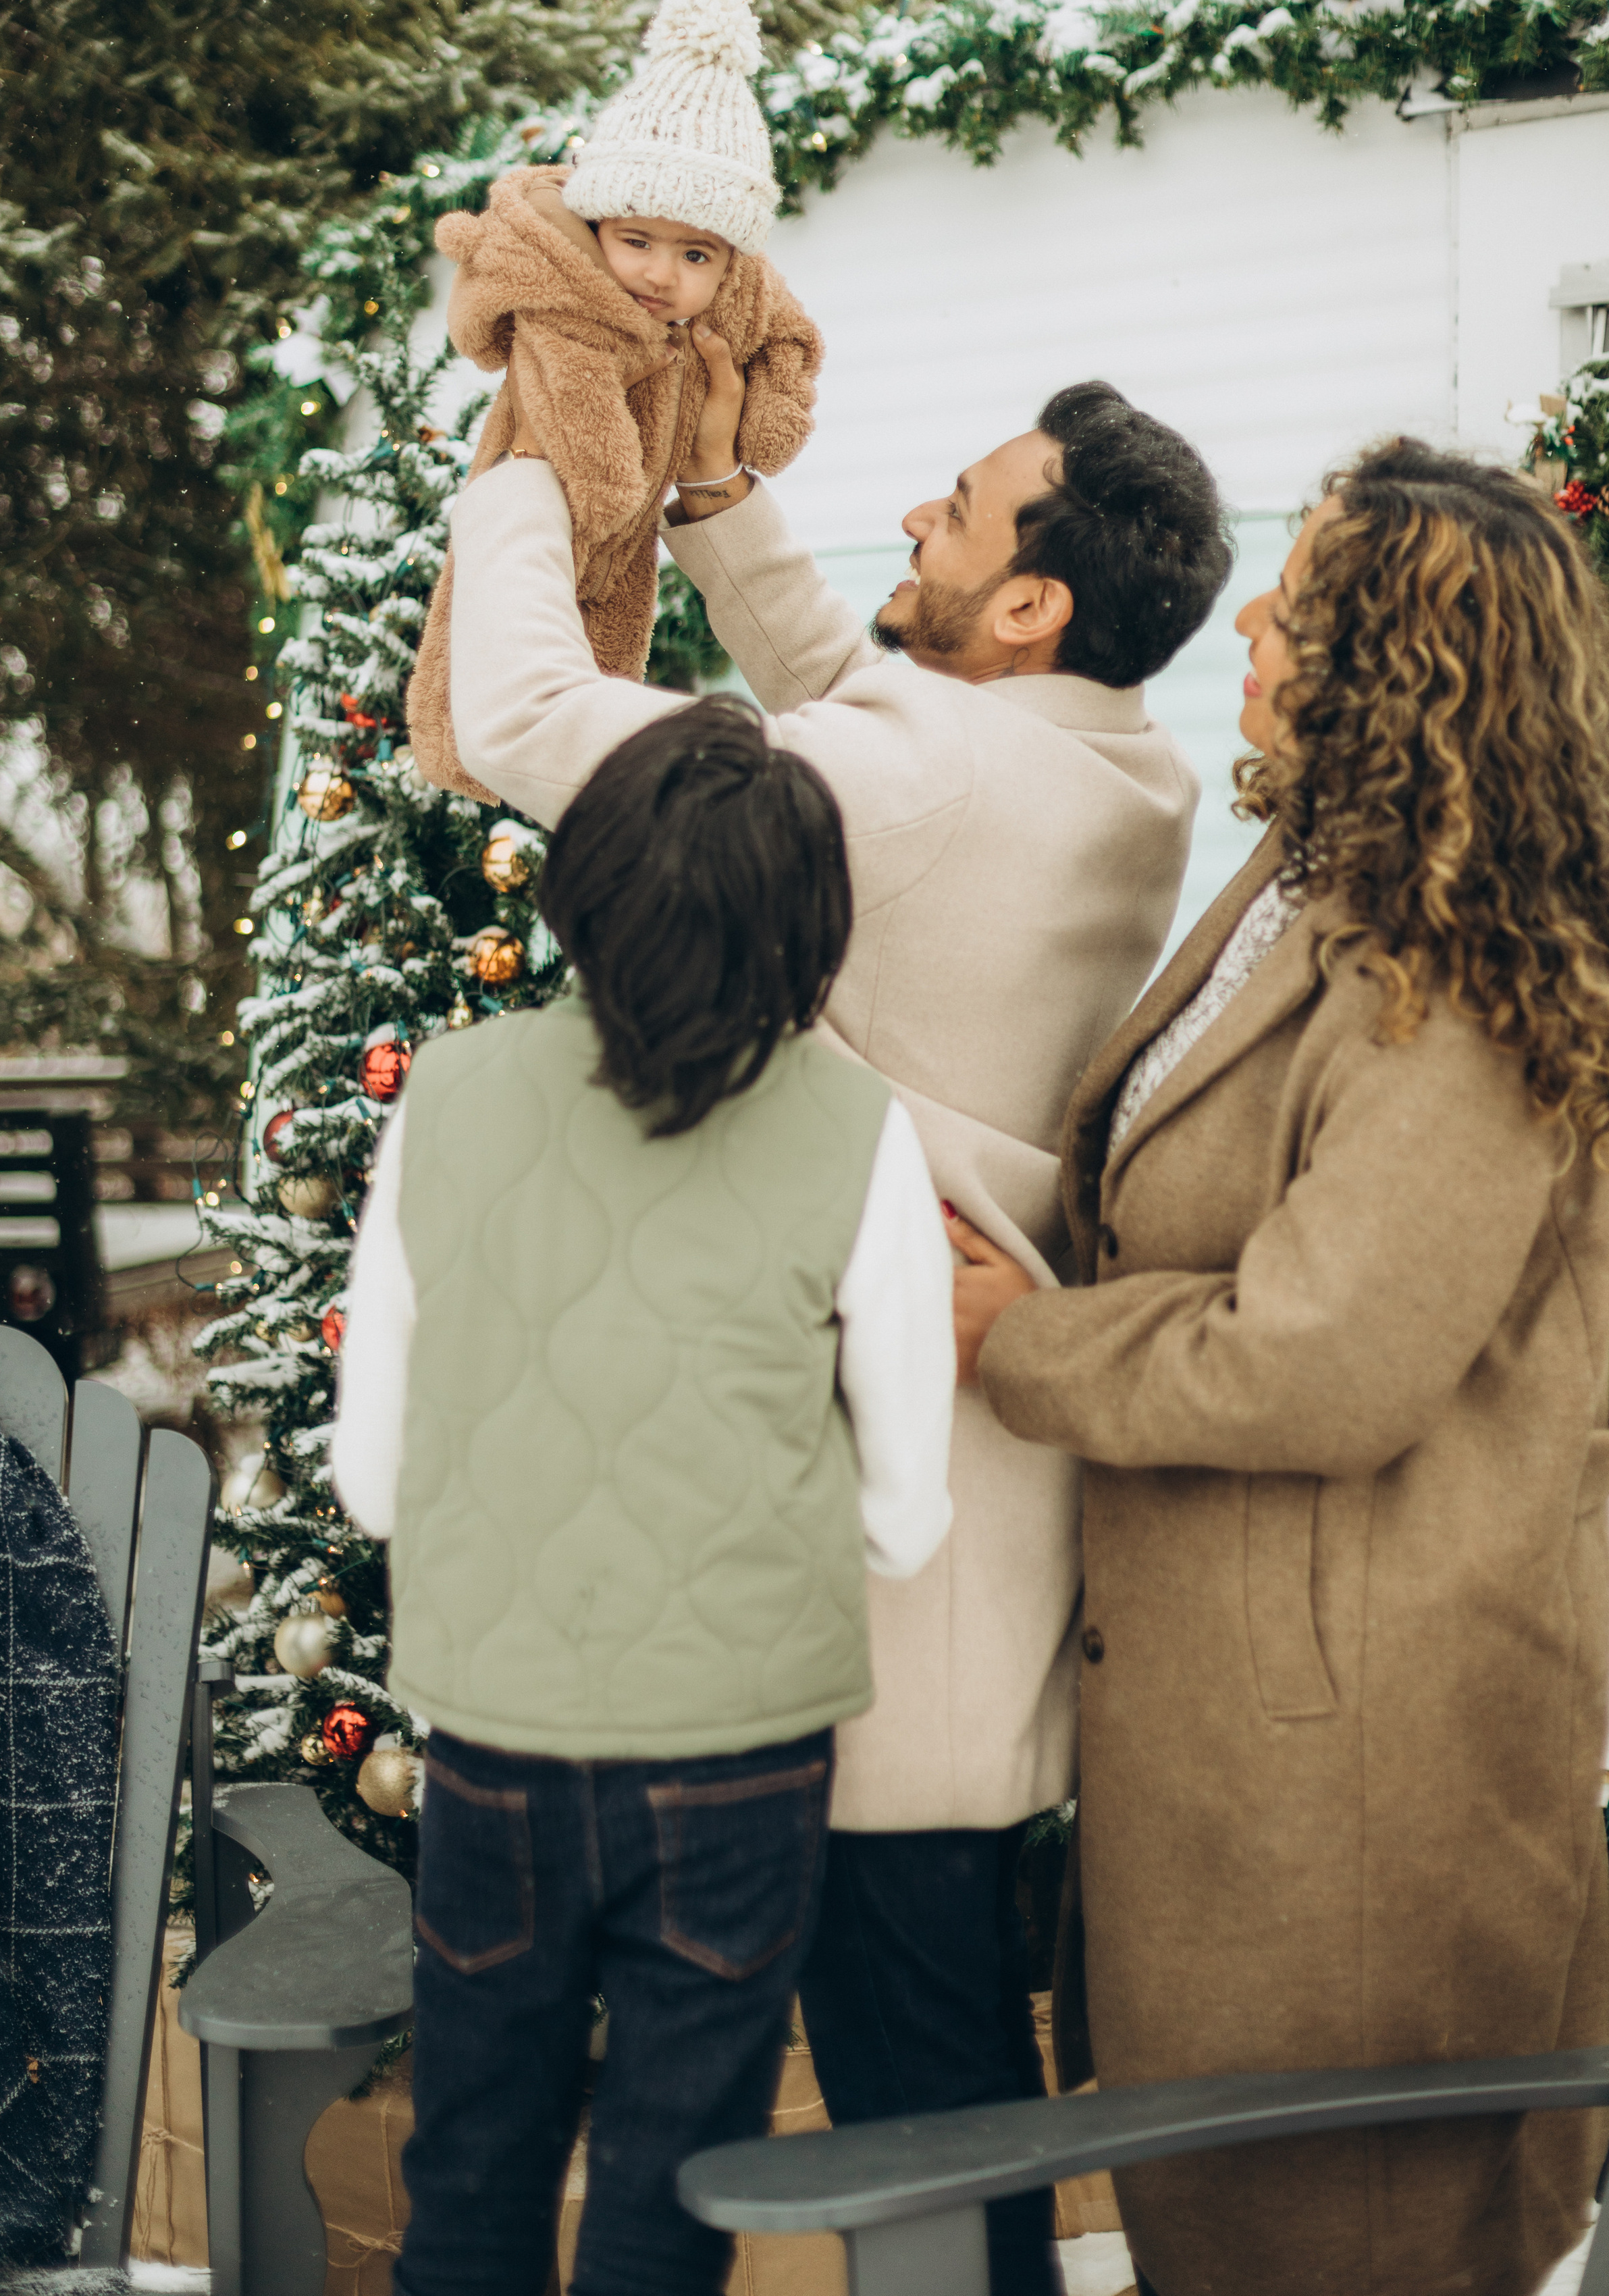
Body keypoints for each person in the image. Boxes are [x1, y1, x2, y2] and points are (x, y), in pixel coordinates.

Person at [441, 333, 1230, 2291]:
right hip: (968, 1537)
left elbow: (540, 712)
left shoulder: (938, 782)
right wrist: (719, 505)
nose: (913, 511)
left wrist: (535, 460)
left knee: (917, 2095)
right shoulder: (1113, 761)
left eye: (953, 512)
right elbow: (863, 704)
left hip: (890, 1555)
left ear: (1033, 600)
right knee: (939, 2079)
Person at [951, 440, 1609, 2296]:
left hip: (1362, 1769)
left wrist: (1020, 1342)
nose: (1258, 619)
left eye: (1309, 596)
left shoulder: (1465, 970)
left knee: (1345, 2245)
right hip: (1255, 1735)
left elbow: (1325, 1362)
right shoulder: (1309, 869)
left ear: (1400, 661)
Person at [332, 698, 957, 2296]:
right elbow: (901, 1513)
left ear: (582, 883)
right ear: (800, 918)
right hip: (738, 1757)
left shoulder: (448, 1096)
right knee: (668, 2198)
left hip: (493, 1741)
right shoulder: (856, 1129)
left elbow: (367, 1479)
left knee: (470, 2169)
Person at [404, 0, 822, 790]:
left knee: (606, 659)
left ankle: (562, 778)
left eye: (694, 254)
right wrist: (598, 499)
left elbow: (791, 337)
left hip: (637, 533)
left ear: (729, 258)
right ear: (598, 226)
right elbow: (574, 413)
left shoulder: (733, 294)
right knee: (493, 635)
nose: (661, 275)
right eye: (637, 240)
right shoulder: (567, 295)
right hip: (548, 487)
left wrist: (765, 423)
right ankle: (459, 749)